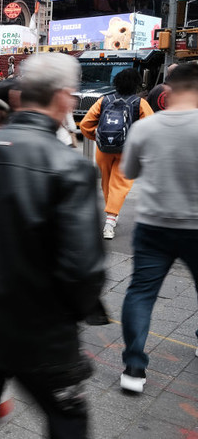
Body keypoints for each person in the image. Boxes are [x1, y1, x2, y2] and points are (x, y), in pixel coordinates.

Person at [0, 53, 105, 438]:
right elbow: (84, 269)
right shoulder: (71, 167)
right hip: (41, 332)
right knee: (67, 421)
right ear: (63, 97)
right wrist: (71, 314)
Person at [118, 63, 198, 393]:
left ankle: (133, 369)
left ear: (167, 90)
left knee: (140, 293)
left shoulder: (145, 127)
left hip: (152, 224)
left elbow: (129, 169)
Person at [80, 69, 154, 239]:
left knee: (106, 182)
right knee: (120, 184)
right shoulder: (140, 103)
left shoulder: (104, 100)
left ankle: (112, 214)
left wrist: (97, 136)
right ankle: (110, 221)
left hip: (103, 149)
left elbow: (85, 124)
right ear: (135, 84)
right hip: (127, 151)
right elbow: (149, 129)